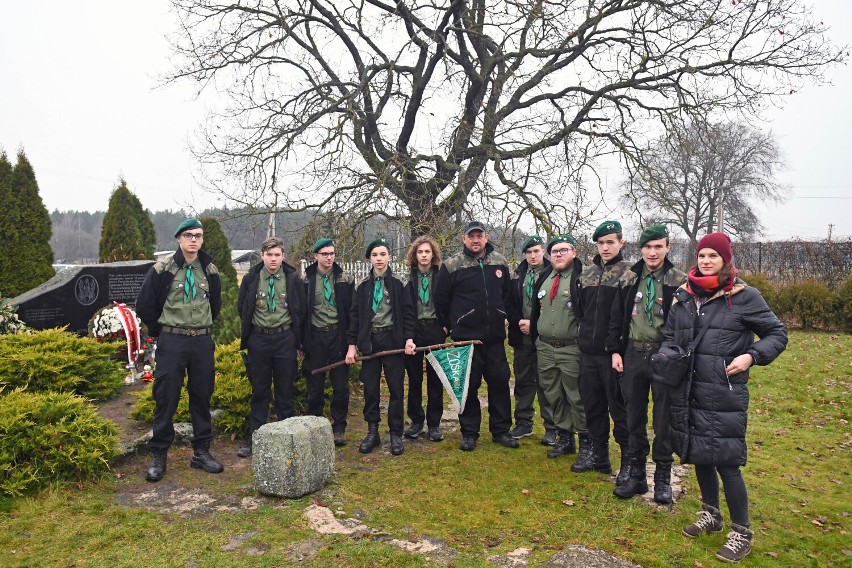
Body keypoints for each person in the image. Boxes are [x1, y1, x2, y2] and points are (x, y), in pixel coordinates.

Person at [664, 232, 786, 563]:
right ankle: (711, 515)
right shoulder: (684, 295)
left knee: (727, 462)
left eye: (713, 256)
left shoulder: (744, 296)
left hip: (723, 393)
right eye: (702, 255)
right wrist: (667, 355)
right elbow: (669, 335)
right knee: (700, 454)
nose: (706, 261)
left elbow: (777, 333)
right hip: (688, 390)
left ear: (725, 260)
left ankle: (741, 532)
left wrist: (752, 355)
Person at [136, 218, 223, 482]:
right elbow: (144, 305)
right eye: (188, 235)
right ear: (178, 239)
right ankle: (159, 455)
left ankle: (201, 452)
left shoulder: (209, 270)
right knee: (167, 398)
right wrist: (159, 331)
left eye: (198, 235)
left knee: (201, 396)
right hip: (172, 340)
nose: (193, 240)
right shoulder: (163, 269)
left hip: (201, 342)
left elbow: (215, 306)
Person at [607, 224, 686, 503]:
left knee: (663, 418)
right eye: (648, 247)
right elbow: (617, 317)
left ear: (667, 247)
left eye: (658, 246)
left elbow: (686, 323)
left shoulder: (679, 280)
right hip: (633, 353)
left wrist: (678, 353)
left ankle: (663, 475)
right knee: (633, 416)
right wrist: (615, 351)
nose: (652, 252)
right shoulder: (629, 277)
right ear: (640, 249)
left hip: (664, 356)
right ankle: (637, 474)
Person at [434, 221, 518, 451]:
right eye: (471, 236)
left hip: (494, 338)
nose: (475, 240)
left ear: (486, 238)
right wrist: (450, 325)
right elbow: (440, 299)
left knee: (499, 384)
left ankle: (501, 431)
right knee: (468, 387)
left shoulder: (499, 262)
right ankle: (469, 432)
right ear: (464, 239)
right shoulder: (452, 265)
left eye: (479, 236)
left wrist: (505, 316)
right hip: (466, 339)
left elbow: (507, 295)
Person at [236, 236, 306, 458]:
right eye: (269, 255)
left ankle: (287, 437)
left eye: (277, 255)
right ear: (262, 255)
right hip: (259, 339)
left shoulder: (293, 278)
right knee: (260, 391)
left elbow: (300, 311)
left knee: (285, 390)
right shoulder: (251, 278)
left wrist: (299, 343)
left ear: (283, 256)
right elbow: (243, 307)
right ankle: (255, 438)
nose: (273, 259)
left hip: (285, 338)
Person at [345, 237, 416, 456]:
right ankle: (372, 431)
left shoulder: (398, 284)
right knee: (371, 389)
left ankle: (396, 433)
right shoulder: (363, 286)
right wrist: (352, 346)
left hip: (393, 340)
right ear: (369, 259)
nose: (379, 259)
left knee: (396, 389)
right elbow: (354, 317)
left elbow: (408, 313)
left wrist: (409, 339)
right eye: (375, 255)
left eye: (383, 254)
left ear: (389, 257)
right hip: (370, 342)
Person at [573, 220, 631, 482]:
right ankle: (600, 456)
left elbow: (629, 315)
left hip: (615, 354)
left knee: (619, 408)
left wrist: (618, 346)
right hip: (588, 353)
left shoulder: (629, 274)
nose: (605, 247)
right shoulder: (585, 275)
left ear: (621, 243)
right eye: (601, 243)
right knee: (593, 406)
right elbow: (581, 311)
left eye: (610, 242)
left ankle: (629, 460)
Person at [529, 235, 586, 460]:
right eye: (554, 251)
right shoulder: (543, 278)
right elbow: (536, 311)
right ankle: (565, 438)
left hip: (571, 348)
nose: (559, 254)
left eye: (564, 250)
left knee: (576, 395)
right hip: (545, 348)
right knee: (553, 394)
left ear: (573, 253)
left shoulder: (581, 278)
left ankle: (587, 441)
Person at [301, 238, 355, 447]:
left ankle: (339, 427)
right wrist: (301, 343)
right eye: (325, 254)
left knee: (340, 387)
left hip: (338, 337)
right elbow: (300, 313)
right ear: (315, 256)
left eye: (332, 253)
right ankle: (315, 426)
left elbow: (353, 312)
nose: (329, 257)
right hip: (315, 338)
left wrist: (352, 342)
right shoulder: (305, 280)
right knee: (315, 387)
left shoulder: (344, 279)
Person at [506, 235, 558, 444]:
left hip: (544, 336)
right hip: (521, 336)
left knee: (547, 383)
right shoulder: (517, 275)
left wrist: (533, 323)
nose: (533, 256)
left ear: (543, 251)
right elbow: (509, 302)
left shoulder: (552, 273)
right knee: (523, 381)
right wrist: (518, 320)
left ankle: (552, 427)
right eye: (528, 252)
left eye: (536, 251)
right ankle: (523, 423)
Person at [402, 236, 447, 442]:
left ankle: (435, 424)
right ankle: (416, 421)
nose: (424, 256)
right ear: (415, 254)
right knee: (414, 379)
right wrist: (408, 336)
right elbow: (406, 309)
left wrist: (447, 326)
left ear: (433, 254)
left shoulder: (441, 275)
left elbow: (449, 300)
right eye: (420, 252)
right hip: (415, 331)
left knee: (435, 379)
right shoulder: (408, 278)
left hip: (436, 329)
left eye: (427, 252)